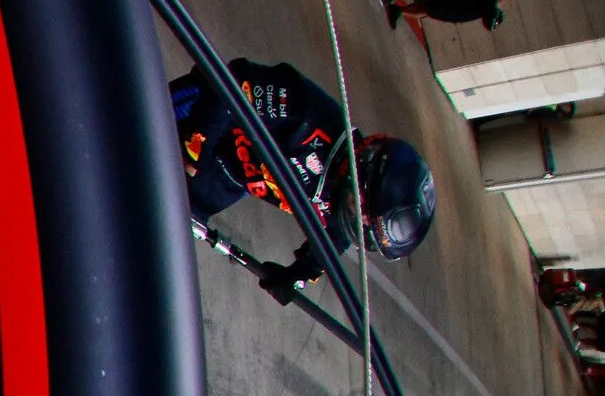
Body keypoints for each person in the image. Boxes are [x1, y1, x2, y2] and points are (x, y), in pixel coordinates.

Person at [172, 58, 436, 262]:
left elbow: (335, 239)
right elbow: (234, 81)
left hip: (229, 179)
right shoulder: (309, 115)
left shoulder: (347, 207)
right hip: (203, 116)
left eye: (365, 227)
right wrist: (195, 154)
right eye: (365, 213)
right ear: (364, 173)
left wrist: (298, 275)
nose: (361, 221)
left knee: (167, 227)